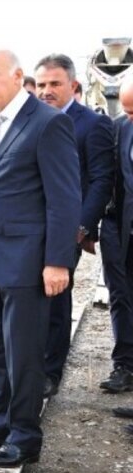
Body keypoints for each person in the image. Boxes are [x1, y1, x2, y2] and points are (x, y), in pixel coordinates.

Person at [0, 50, 80, 468]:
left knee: (23, 356)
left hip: (28, 265)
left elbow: (63, 200)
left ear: (17, 76)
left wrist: (58, 262)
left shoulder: (49, 123)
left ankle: (25, 438)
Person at [34, 54, 115, 397]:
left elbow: (100, 180)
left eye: (54, 84)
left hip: (69, 229)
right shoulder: (31, 120)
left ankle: (51, 373)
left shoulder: (91, 124)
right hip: (30, 225)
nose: (46, 91)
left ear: (73, 85)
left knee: (55, 298)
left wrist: (81, 227)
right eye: (40, 84)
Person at [100, 78, 133, 394]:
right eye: (127, 111)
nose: (130, 118)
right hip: (120, 228)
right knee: (121, 297)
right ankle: (124, 365)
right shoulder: (120, 128)